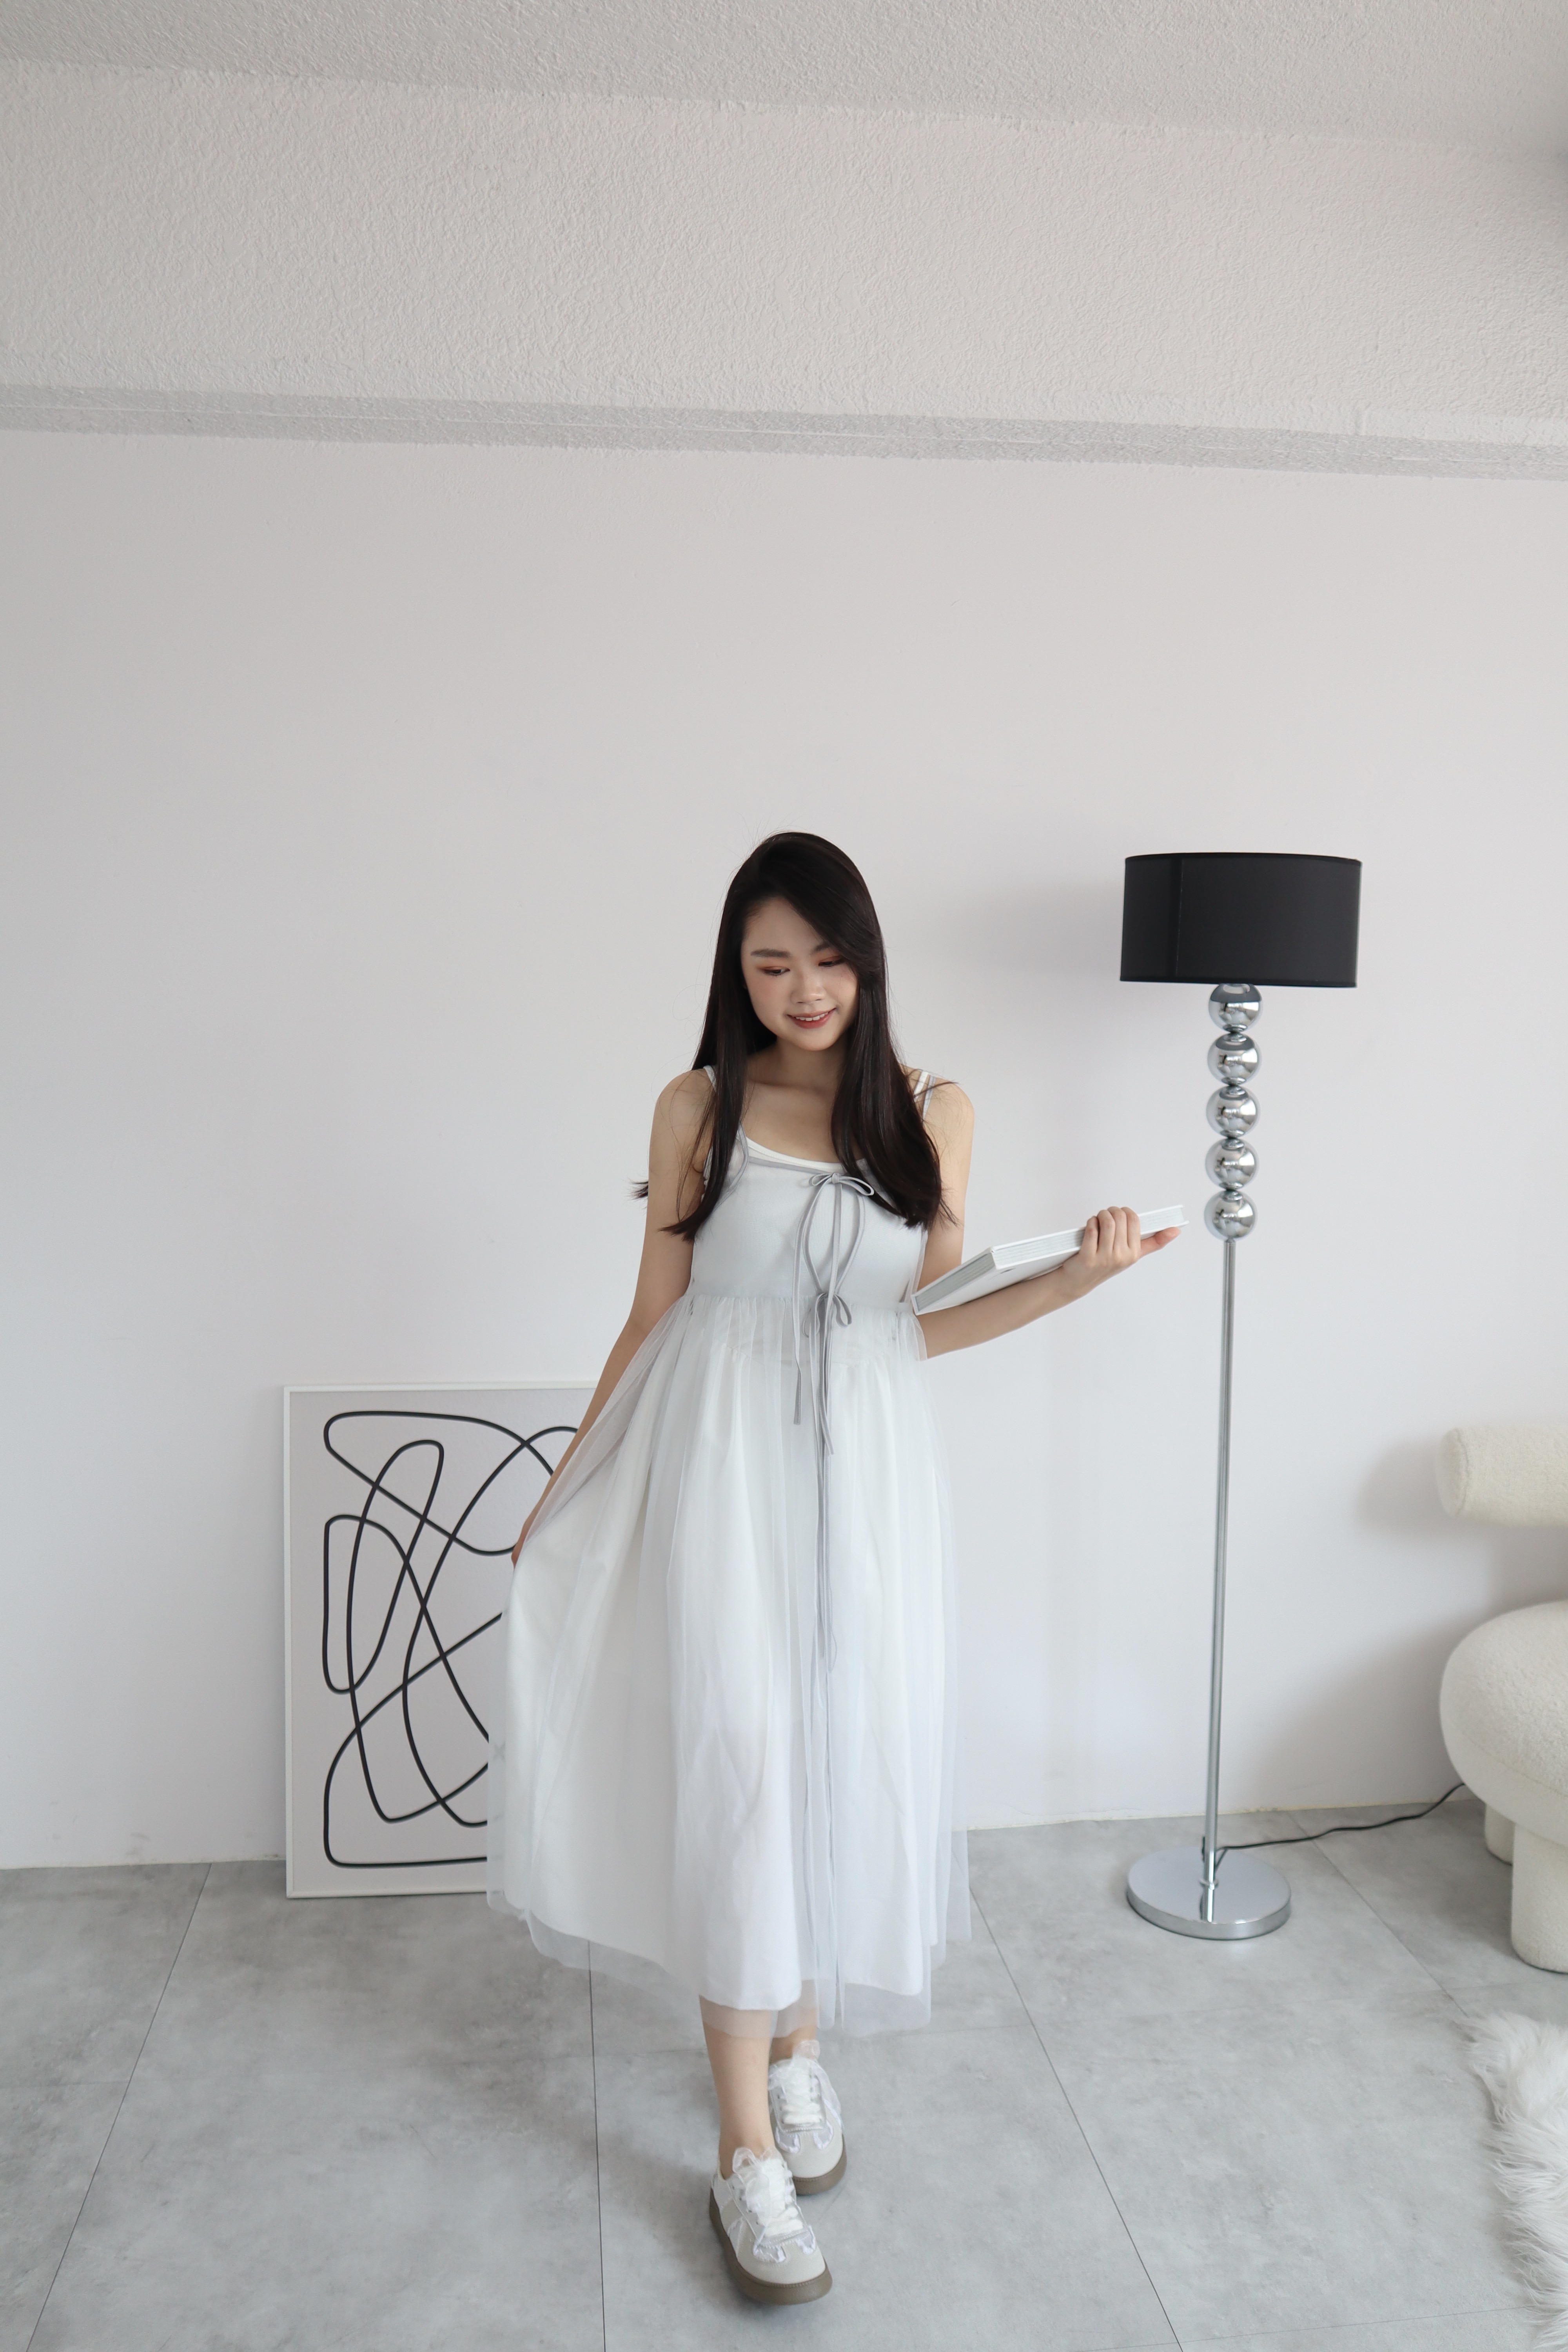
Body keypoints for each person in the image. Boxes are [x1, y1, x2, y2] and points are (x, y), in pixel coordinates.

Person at [488, 832, 1176, 2305]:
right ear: (734, 976)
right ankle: (743, 2145)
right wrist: (568, 1481)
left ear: (867, 959)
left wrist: (1082, 1276)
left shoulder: (936, 1112)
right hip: (718, 1476)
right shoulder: (699, 1105)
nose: (803, 988)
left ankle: (797, 2046)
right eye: (770, 964)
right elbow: (652, 1317)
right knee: (740, 1767)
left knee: (830, 1763)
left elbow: (922, 1323)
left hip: (866, 1491)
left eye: (827, 958)